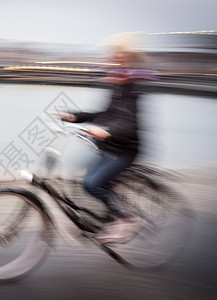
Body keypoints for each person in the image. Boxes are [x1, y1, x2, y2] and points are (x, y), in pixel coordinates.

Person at [60, 46, 156, 244]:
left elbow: (130, 123)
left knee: (92, 183)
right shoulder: (117, 88)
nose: (113, 68)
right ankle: (98, 221)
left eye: (119, 63)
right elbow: (105, 114)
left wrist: (107, 131)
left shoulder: (135, 90)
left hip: (125, 150)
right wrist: (75, 117)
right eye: (113, 62)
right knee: (81, 179)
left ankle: (126, 219)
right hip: (109, 147)